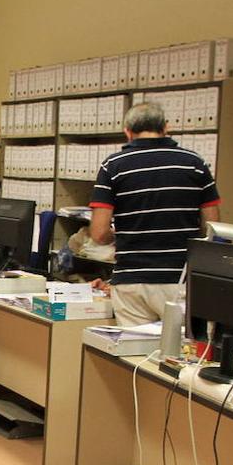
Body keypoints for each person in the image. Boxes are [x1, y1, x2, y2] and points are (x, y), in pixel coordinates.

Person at [88, 101, 220, 326]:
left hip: (131, 280)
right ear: (166, 127)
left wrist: (123, 235)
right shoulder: (195, 164)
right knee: (180, 357)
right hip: (180, 279)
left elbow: (99, 234)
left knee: (134, 357)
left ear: (127, 132)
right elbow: (212, 228)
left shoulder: (113, 166)